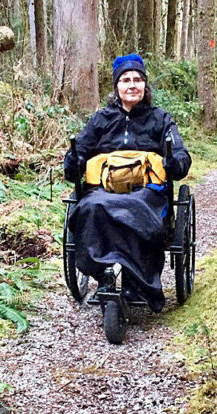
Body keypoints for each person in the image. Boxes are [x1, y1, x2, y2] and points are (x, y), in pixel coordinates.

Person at [63, 54, 192, 313]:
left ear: (145, 86)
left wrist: (174, 163)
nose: (132, 85)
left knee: (138, 209)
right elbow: (79, 152)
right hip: (103, 189)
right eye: (125, 80)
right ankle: (103, 274)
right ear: (116, 86)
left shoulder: (160, 119)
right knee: (91, 207)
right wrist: (74, 162)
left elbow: (181, 155)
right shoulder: (101, 119)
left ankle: (138, 282)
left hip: (146, 192)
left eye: (137, 79)